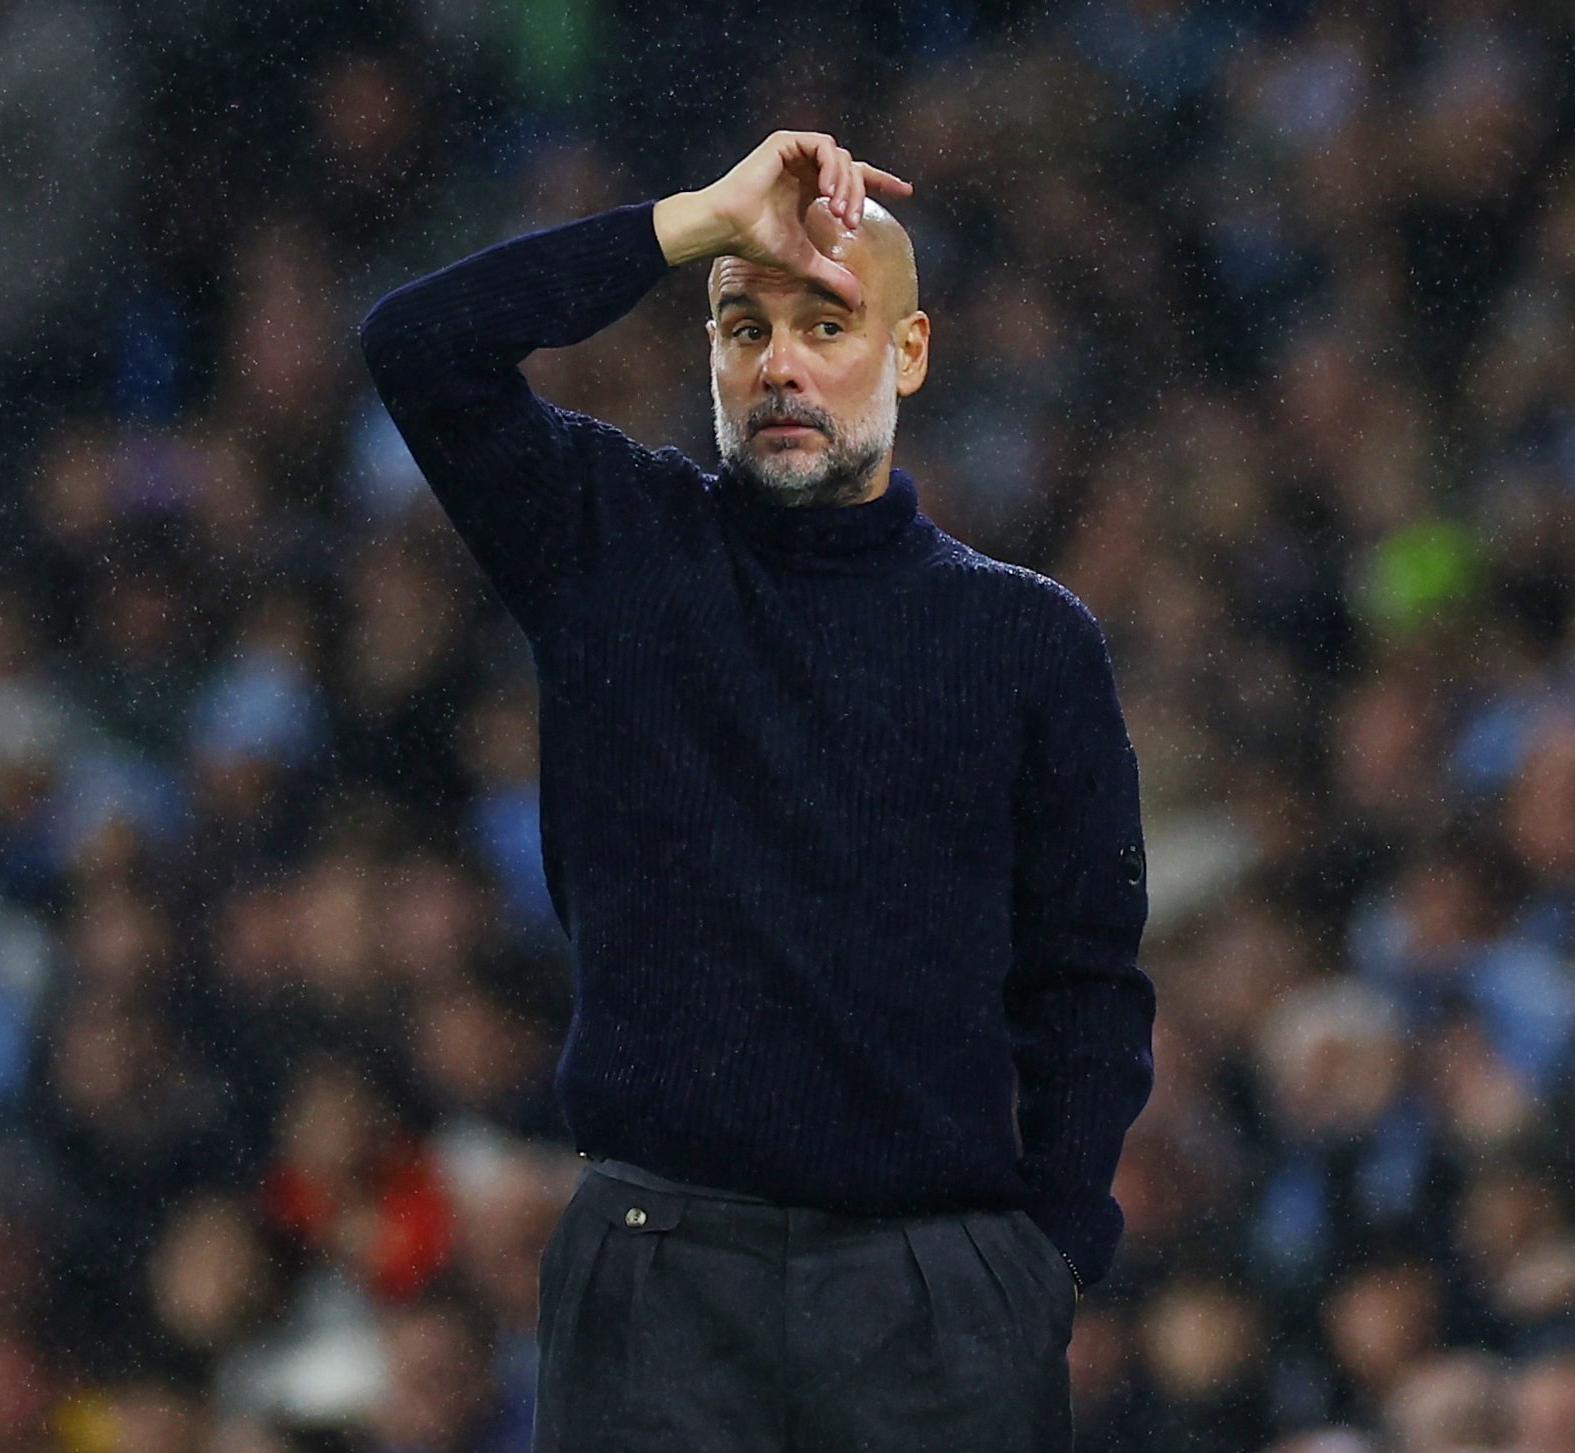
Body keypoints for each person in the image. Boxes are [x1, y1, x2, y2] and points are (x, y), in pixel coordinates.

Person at [360, 131, 1154, 1452]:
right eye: (743, 327)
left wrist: (1049, 1256)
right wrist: (692, 221)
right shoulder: (615, 546)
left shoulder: (1030, 639)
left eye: (825, 323)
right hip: (657, 1272)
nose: (778, 363)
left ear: (908, 351)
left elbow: (1088, 979)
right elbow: (417, 345)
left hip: (936, 1290)